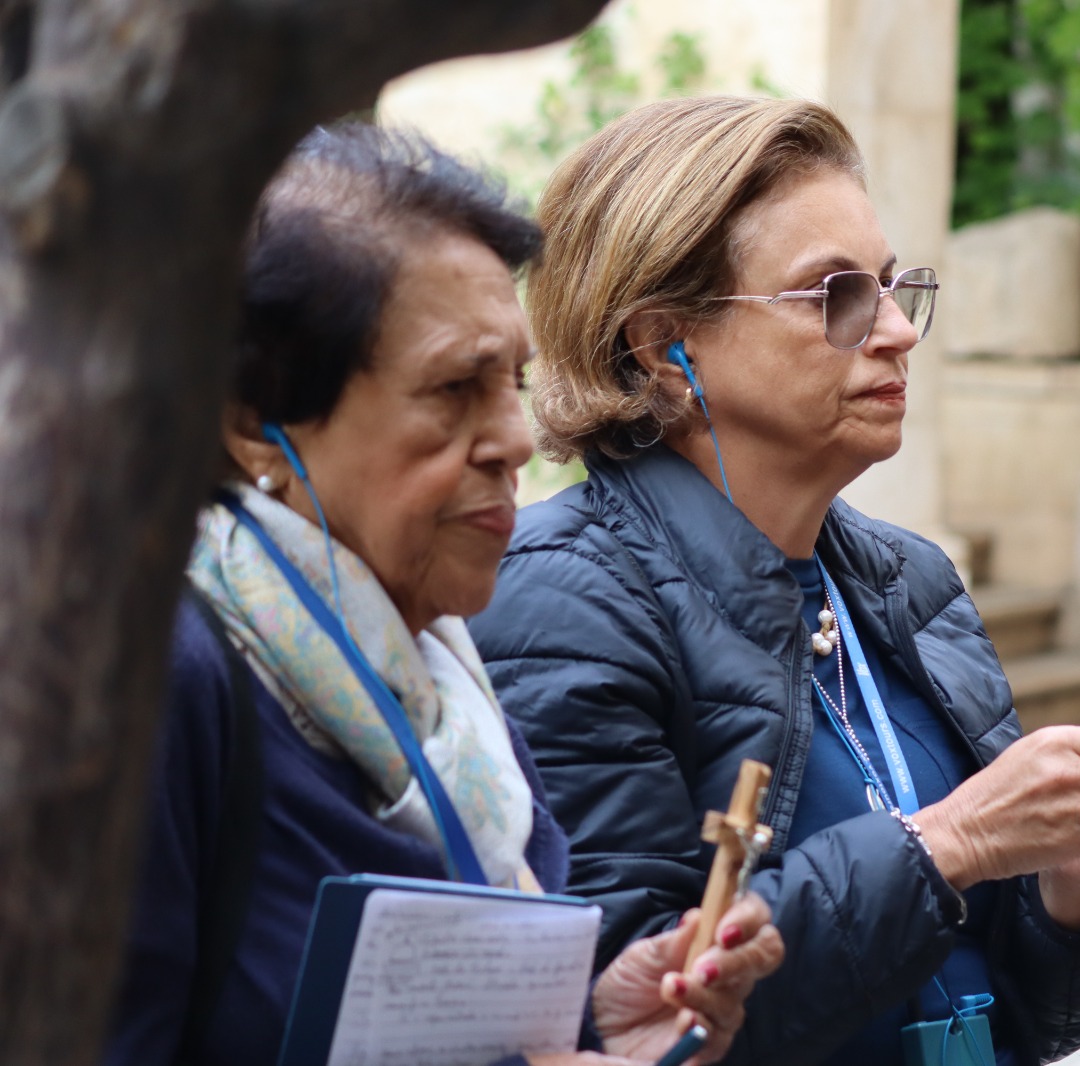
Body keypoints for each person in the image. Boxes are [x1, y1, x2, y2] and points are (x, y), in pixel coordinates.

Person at [468, 95, 1080, 1066]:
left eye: (895, 288)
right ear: (664, 347)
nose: (897, 331)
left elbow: (1040, 1019)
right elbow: (627, 1015)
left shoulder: (908, 577)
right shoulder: (561, 596)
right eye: (837, 295)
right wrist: (956, 839)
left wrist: (1071, 880)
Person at [107, 122, 782, 1066]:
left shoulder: (442, 678)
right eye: (456, 387)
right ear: (256, 424)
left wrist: (598, 1027)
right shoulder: (155, 684)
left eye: (514, 381)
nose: (514, 439)